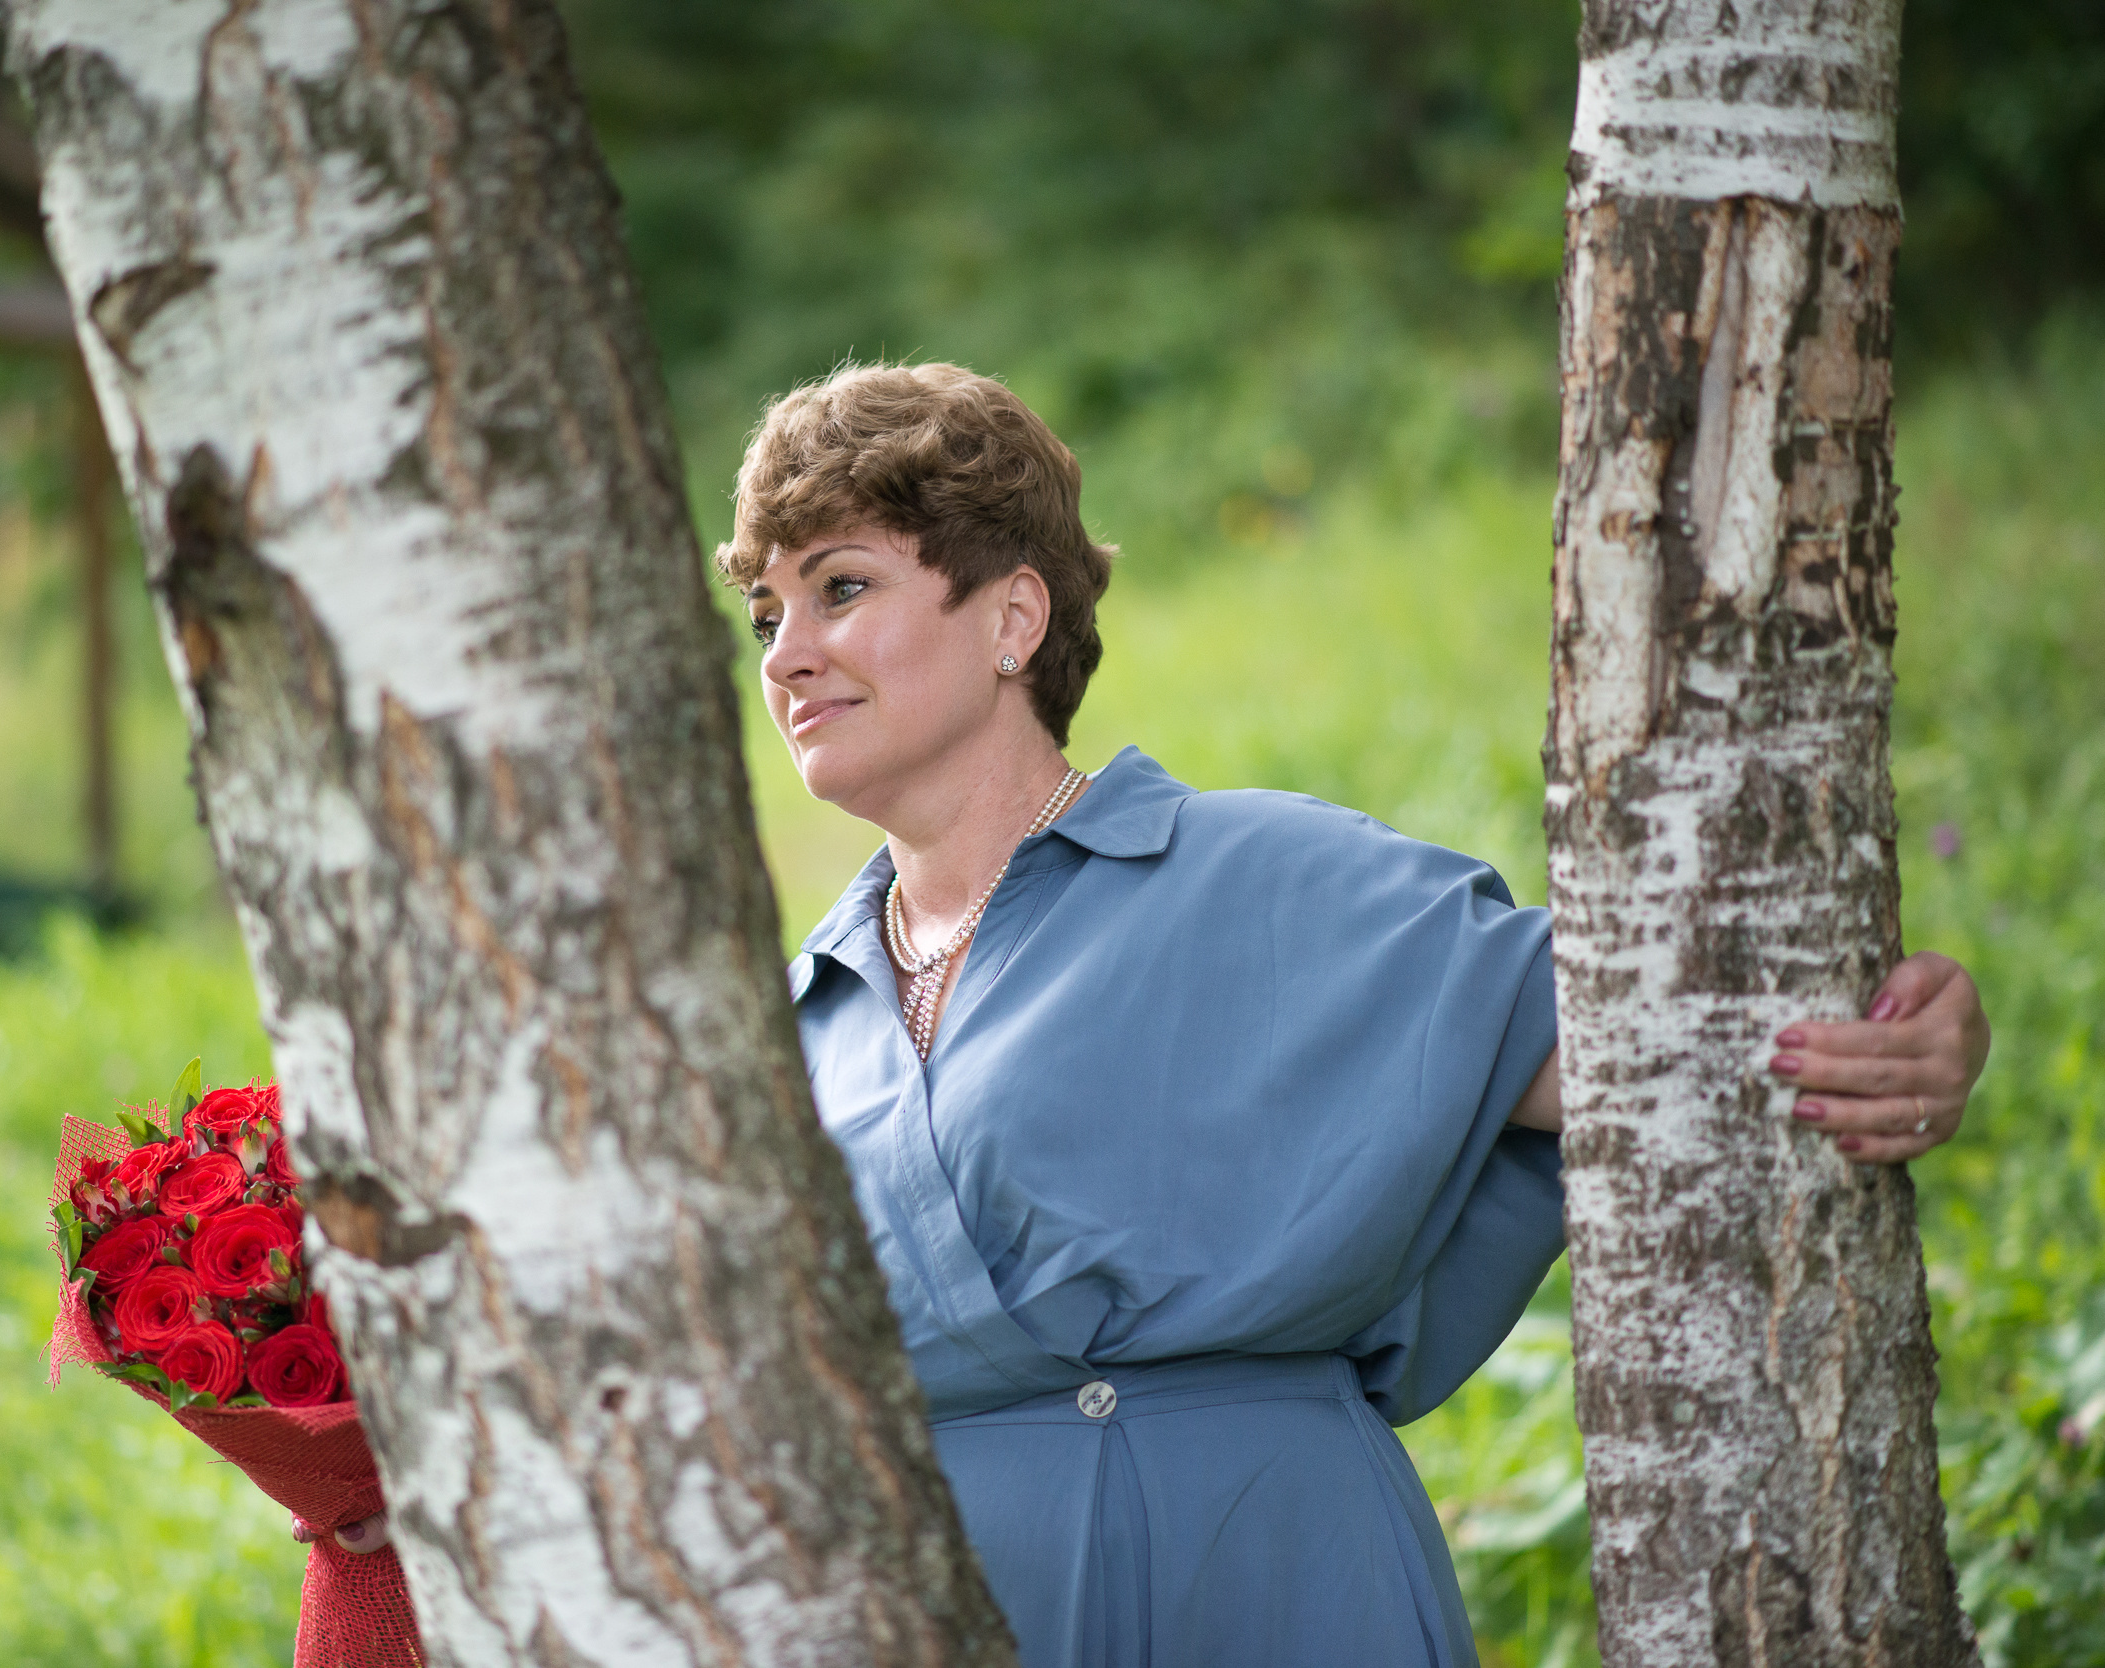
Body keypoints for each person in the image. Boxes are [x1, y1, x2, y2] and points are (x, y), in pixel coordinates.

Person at [715, 362, 1992, 1667]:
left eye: (842, 587)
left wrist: (1923, 1034)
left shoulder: (1261, 876)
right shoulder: (785, 1027)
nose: (787, 652)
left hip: (1270, 1584)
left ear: (1013, 619)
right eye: (767, 610)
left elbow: (1669, 1038)